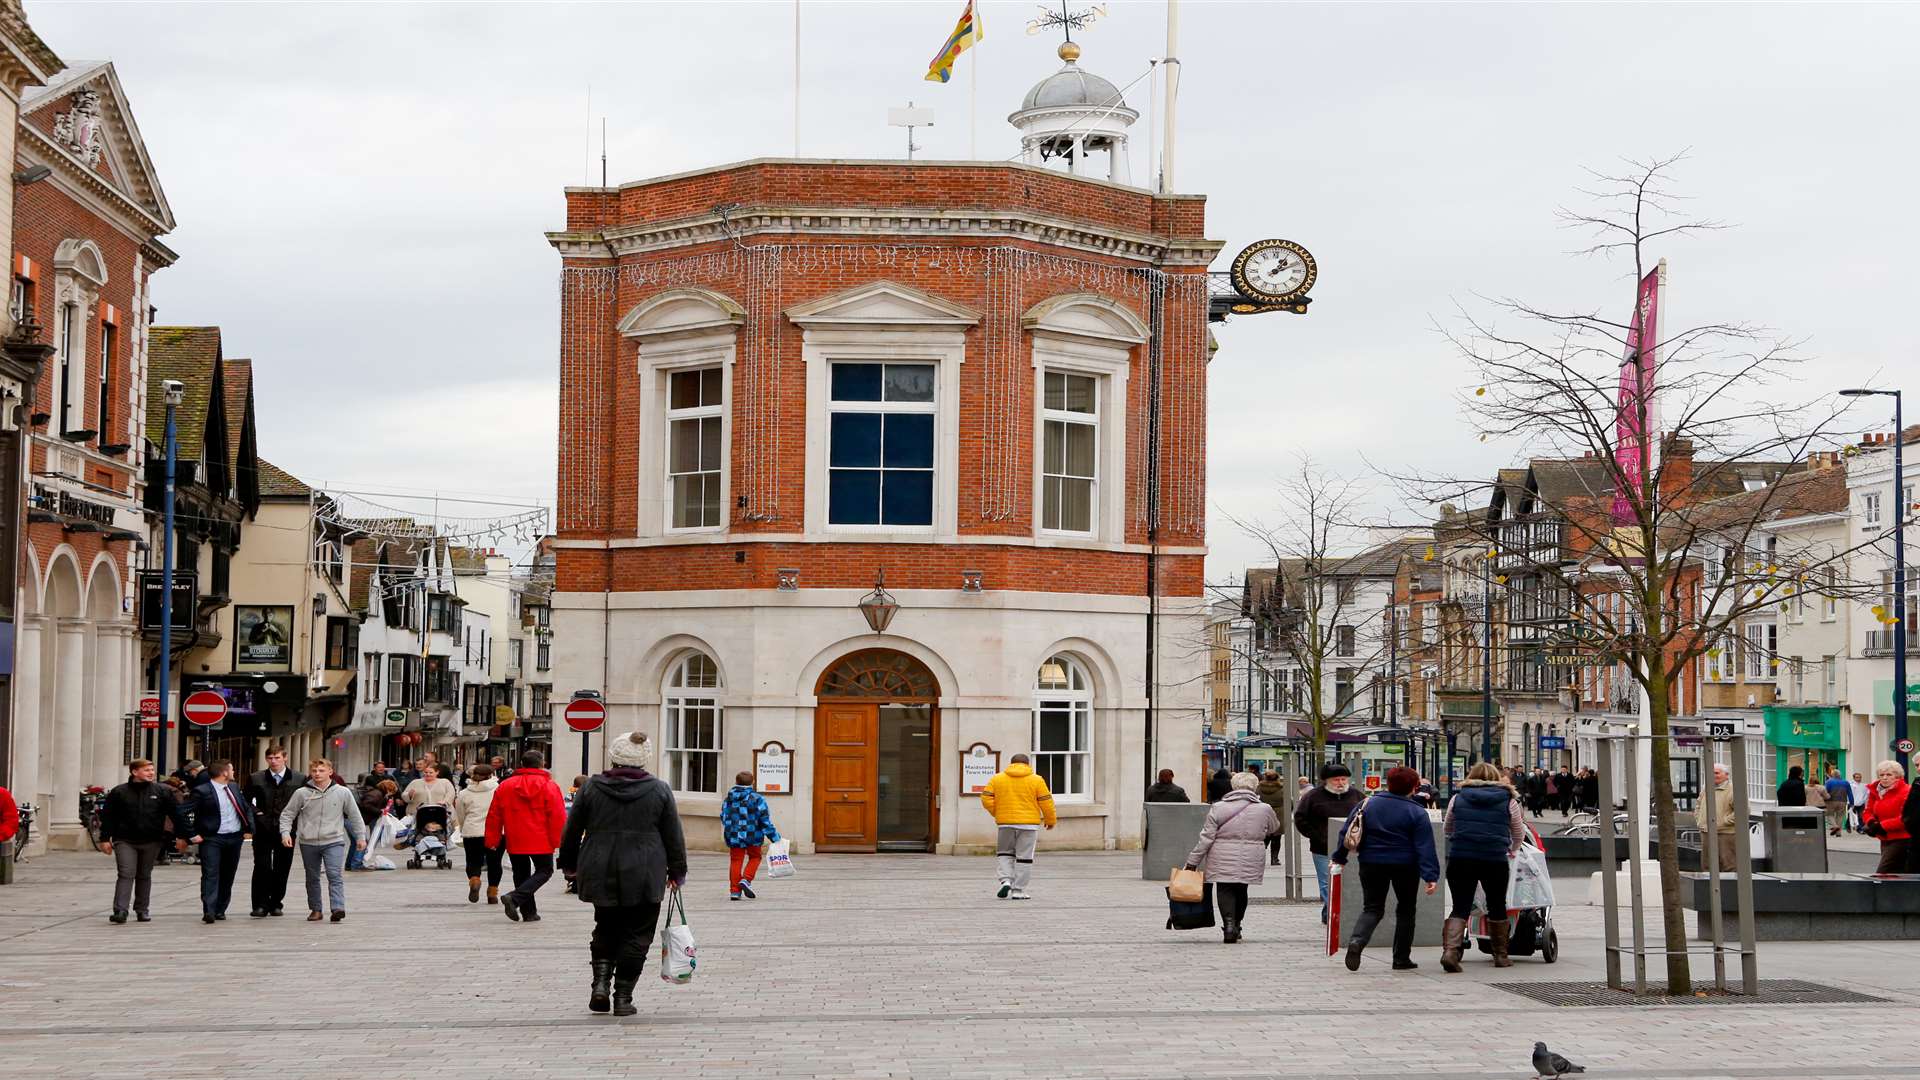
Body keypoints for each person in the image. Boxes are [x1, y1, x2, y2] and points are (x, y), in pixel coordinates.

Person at [558, 731, 687, 1016]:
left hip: (600, 864)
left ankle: (600, 984)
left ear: (614, 757)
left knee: (605, 926)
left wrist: (569, 864)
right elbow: (673, 835)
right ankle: (623, 996)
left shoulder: (591, 788)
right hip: (645, 868)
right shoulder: (659, 789)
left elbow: (572, 829)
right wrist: (677, 871)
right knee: (638, 934)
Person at [1334, 766, 1439, 972]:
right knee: (1406, 910)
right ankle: (1401, 958)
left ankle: (1357, 941)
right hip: (1406, 866)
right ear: (1414, 787)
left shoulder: (1366, 804)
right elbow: (1424, 846)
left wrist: (1340, 858)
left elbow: (1348, 831)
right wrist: (1430, 875)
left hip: (1371, 862)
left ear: (1387, 783)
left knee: (1372, 907)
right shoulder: (1416, 811)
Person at [1439, 763, 1525, 972]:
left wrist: (1459, 839)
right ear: (1496, 778)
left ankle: (1451, 953)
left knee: (1460, 906)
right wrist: (1512, 849)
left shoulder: (1457, 798)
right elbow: (1518, 831)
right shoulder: (1509, 801)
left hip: (1461, 857)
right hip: (1494, 859)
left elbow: (1447, 828)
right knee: (1496, 904)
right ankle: (1500, 956)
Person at [1184, 772, 1283, 944]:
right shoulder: (1264, 808)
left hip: (1221, 854)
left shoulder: (1218, 807)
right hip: (1251, 854)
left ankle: (1228, 926)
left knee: (1224, 889)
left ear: (1233, 786)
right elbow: (1274, 828)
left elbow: (1206, 837)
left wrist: (1193, 861)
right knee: (1241, 889)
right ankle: (1237, 924)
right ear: (1254, 786)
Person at [98, 759, 191, 923]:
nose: (151, 773)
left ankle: (142, 909)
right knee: (126, 873)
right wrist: (105, 838)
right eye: (147, 770)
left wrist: (182, 836)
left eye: (152, 770)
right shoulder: (119, 792)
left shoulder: (162, 791)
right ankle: (120, 910)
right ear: (134, 772)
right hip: (124, 840)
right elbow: (108, 817)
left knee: (144, 875)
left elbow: (176, 815)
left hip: (152, 840)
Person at [280, 758, 368, 922]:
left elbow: (355, 816)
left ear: (330, 772)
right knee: (312, 877)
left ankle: (337, 908)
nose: (317, 774)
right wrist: (285, 833)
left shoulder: (342, 792)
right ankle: (316, 909)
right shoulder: (302, 793)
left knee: (334, 874)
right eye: (314, 771)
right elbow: (288, 814)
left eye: (321, 770)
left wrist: (361, 837)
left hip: (333, 840)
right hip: (308, 841)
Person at [485, 749, 567, 923]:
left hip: (515, 835)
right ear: (542, 764)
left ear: (522, 764)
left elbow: (494, 814)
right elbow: (558, 815)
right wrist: (558, 839)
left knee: (521, 873)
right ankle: (515, 899)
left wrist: (492, 839)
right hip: (541, 836)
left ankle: (529, 912)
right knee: (545, 870)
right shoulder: (549, 786)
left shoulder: (506, 785)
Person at [182, 759, 253, 923]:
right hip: (212, 838)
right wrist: (191, 834)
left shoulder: (233, 787)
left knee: (228, 874)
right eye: (232, 770)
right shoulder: (202, 791)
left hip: (234, 837)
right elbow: (183, 812)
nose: (234, 772)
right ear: (224, 773)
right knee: (210, 873)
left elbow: (244, 807)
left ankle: (221, 908)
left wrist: (249, 829)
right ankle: (209, 909)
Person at [978, 752, 1056, 900]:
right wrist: (1050, 820)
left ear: (1011, 763)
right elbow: (1046, 802)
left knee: (1005, 853)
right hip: (1029, 825)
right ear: (1027, 764)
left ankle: (1005, 880)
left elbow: (986, 797)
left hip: (1005, 824)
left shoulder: (997, 778)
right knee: (1024, 857)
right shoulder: (1037, 780)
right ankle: (1018, 890)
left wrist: (998, 812)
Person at [1294, 763, 1363, 925]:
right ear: (1326, 781)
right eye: (1336, 780)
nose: (1340, 783)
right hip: (1322, 848)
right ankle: (1334, 914)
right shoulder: (1313, 797)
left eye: (1343, 779)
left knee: (1348, 881)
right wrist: (1315, 835)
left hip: (1350, 848)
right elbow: (1300, 818)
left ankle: (1329, 911)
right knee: (1327, 882)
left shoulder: (1357, 796)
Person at [244, 747, 306, 917]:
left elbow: (306, 801)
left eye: (277, 757)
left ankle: (276, 902)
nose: (273, 761)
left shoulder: (299, 778)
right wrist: (258, 814)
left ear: (285, 758)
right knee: (262, 866)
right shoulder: (256, 778)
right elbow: (246, 801)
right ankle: (260, 905)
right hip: (263, 829)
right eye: (270, 758)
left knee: (282, 867)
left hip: (287, 830)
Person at [720, 771, 780, 900]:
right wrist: (774, 837)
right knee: (755, 857)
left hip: (734, 835)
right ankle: (746, 880)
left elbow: (723, 817)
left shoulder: (728, 799)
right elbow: (764, 820)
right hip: (753, 834)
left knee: (736, 860)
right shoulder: (757, 799)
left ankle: (735, 891)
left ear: (736, 782)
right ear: (752, 782)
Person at [453, 764, 503, 903]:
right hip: (496, 831)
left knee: (473, 860)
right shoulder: (499, 790)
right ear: (491, 775)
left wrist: (463, 828)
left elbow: (460, 814)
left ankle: (475, 880)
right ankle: (492, 893)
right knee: (495, 862)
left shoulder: (464, 793)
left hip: (473, 831)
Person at [1862, 760, 1911, 874]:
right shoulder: (1876, 791)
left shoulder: (1906, 791)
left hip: (1902, 838)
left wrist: (1881, 826)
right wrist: (1872, 823)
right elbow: (1867, 811)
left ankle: (1877, 892)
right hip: (1884, 838)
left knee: (1883, 873)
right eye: (1881, 775)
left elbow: (1905, 818)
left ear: (1898, 776)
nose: (1884, 778)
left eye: (1889, 774)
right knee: (1896, 874)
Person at [1695, 763, 1739, 873]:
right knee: (1707, 866)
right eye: (1712, 773)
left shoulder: (1733, 790)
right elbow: (1698, 804)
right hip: (1706, 831)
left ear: (1726, 775)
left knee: (1728, 865)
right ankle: (1707, 889)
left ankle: (1730, 889)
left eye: (1717, 773)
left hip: (1725, 834)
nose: (1714, 775)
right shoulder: (1706, 788)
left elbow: (1742, 811)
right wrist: (1699, 819)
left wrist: (1723, 822)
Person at [351, 779, 396, 871]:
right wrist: (379, 811)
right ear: (388, 789)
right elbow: (366, 805)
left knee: (355, 842)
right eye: (391, 792)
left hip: (355, 819)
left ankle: (350, 864)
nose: (391, 794)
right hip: (355, 820)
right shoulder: (376, 794)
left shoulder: (378, 794)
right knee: (363, 841)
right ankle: (356, 864)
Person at [1255, 770, 1287, 866]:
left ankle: (1259, 859)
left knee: (1263, 838)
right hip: (1278, 814)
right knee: (1276, 838)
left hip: (1262, 813)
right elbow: (1290, 803)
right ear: (1277, 777)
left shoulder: (1259, 788)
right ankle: (1274, 859)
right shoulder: (1282, 788)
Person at [1822, 766, 1851, 837]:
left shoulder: (1829, 782)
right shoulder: (1846, 782)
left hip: (1831, 801)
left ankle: (1835, 826)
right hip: (1843, 801)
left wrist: (1823, 799)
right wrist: (1852, 802)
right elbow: (1850, 793)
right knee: (1840, 816)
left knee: (1829, 814)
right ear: (1840, 775)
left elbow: (1825, 792)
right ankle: (1838, 833)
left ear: (1832, 775)